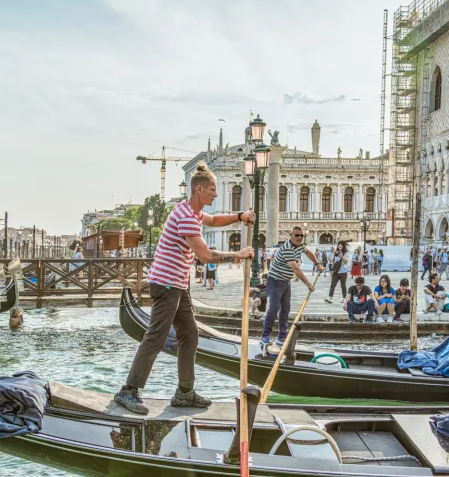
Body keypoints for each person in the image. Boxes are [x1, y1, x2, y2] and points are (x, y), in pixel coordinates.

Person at [115, 162, 255, 415]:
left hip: (177, 285)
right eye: (212, 190)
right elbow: (204, 256)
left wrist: (239, 216)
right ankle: (128, 390)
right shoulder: (187, 217)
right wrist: (238, 254)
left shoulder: (193, 212)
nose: (215, 194)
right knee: (156, 337)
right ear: (199, 189)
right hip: (167, 285)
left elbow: (212, 220)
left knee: (190, 335)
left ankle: (185, 392)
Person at [261, 226, 319, 347]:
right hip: (275, 280)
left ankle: (282, 336)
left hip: (286, 281)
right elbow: (296, 268)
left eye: (301, 235)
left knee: (285, 309)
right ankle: (265, 336)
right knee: (274, 308)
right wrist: (308, 283)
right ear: (290, 235)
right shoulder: (287, 248)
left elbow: (308, 253)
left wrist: (317, 263)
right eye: (296, 235)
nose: (299, 238)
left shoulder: (300, 246)